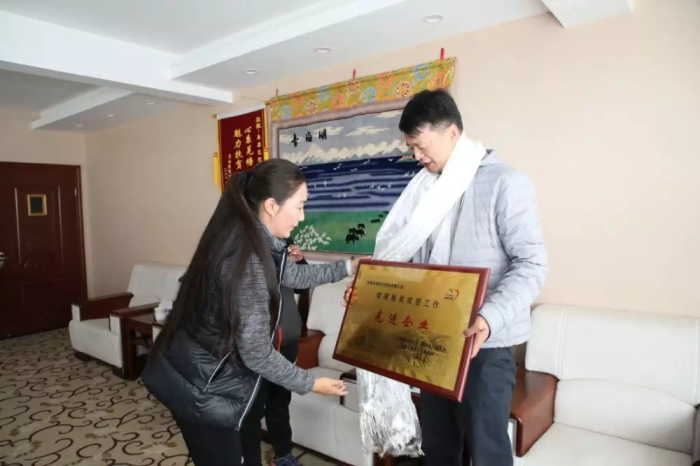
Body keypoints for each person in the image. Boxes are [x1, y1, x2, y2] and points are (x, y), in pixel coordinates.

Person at [344, 89, 547, 466]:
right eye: (412, 148)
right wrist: (369, 289)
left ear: (452, 132)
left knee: (487, 448)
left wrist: (489, 317)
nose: (417, 156)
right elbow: (408, 262)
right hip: (432, 339)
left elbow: (532, 264)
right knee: (438, 443)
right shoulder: (423, 188)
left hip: (485, 344)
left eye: (421, 146)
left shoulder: (505, 183)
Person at [143, 159, 360, 466]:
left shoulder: (249, 237)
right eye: (299, 207)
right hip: (204, 389)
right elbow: (256, 351)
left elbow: (294, 276)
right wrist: (311, 383)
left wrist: (349, 267)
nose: (302, 217)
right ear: (271, 206)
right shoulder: (248, 258)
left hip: (198, 376)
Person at [240, 237, 310, 466]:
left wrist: (299, 261)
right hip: (259, 346)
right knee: (252, 409)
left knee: (280, 403)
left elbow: (302, 286)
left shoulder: (284, 243)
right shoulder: (246, 244)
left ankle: (283, 456)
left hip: (286, 342)